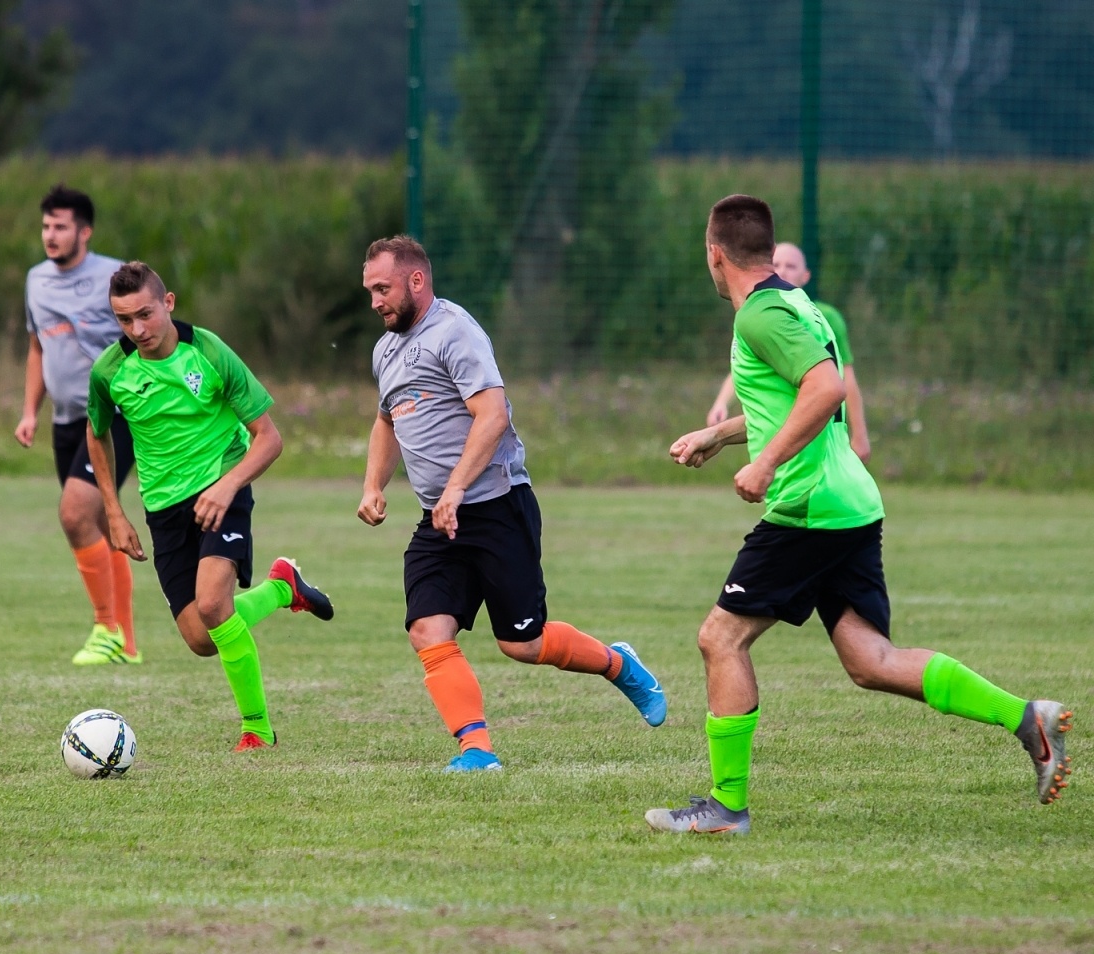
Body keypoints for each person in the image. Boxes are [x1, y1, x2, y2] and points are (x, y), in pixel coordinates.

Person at [648, 195, 1071, 835]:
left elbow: (826, 389)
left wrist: (763, 467)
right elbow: (792, 398)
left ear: (714, 253)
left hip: (809, 507)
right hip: (850, 501)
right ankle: (1027, 717)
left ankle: (725, 807)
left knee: (720, 638)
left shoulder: (760, 316)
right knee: (869, 659)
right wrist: (723, 435)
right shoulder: (793, 301)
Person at [355, 236, 667, 773]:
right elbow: (387, 419)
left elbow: (493, 414)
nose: (375, 301)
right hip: (439, 520)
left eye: (382, 289)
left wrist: (455, 488)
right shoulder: (385, 350)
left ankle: (619, 664)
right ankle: (477, 751)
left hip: (497, 505)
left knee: (522, 644)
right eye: (369, 291)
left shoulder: (455, 332)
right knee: (428, 629)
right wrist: (373, 485)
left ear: (415, 281)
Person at [87, 262, 334, 752]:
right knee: (201, 637)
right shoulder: (109, 372)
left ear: (169, 303)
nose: (137, 330)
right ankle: (281, 588)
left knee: (215, 605)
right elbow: (96, 437)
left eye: (145, 314)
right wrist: (114, 511)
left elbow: (270, 438)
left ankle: (257, 728)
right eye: (123, 320)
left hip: (224, 487)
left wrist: (229, 485)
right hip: (163, 509)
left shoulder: (209, 351)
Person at [14, 185, 142, 665]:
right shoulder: (36, 280)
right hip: (66, 420)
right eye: (46, 226)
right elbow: (37, 347)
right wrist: (30, 410)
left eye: (61, 226)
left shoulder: (113, 276)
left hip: (114, 419)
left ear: (84, 232)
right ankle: (126, 644)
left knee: (73, 514)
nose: (51, 235)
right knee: (97, 524)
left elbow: (148, 338)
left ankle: (105, 628)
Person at [707, 242, 871, 462]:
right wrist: (721, 404)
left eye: (791, 266)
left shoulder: (821, 316)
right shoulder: (760, 315)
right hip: (783, 437)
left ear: (806, 276)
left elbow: (843, 378)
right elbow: (745, 366)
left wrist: (860, 434)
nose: (782, 270)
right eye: (776, 264)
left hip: (820, 438)